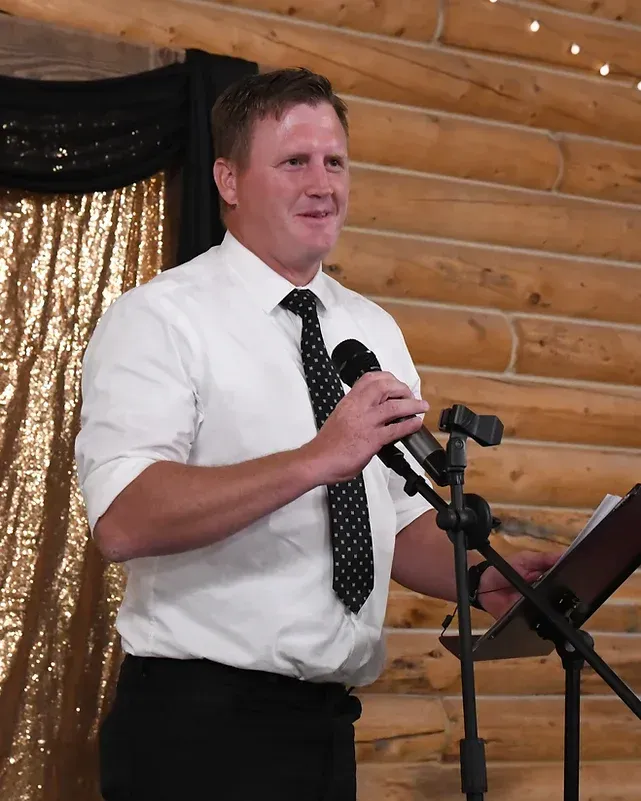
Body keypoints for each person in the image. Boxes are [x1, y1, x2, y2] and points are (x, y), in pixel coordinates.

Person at [75, 67, 559, 801]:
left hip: (326, 729)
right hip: (197, 733)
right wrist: (315, 459)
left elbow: (396, 521)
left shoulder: (370, 328)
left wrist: (478, 575)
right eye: (294, 161)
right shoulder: (160, 319)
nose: (322, 183)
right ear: (228, 180)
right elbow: (123, 520)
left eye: (334, 161)